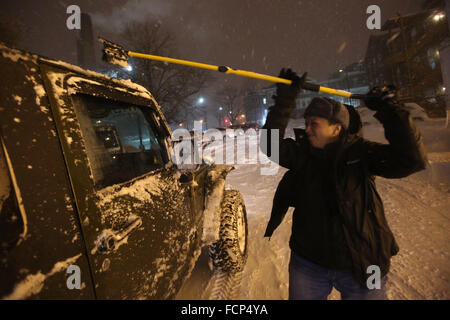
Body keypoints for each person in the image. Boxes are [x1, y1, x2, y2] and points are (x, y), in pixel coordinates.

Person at [260, 68, 427, 300]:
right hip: (309, 264)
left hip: (363, 262)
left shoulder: (360, 153)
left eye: (314, 124)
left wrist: (390, 110)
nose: (307, 129)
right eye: (306, 122)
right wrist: (285, 100)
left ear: (337, 128)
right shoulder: (302, 154)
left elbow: (412, 160)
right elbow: (270, 145)